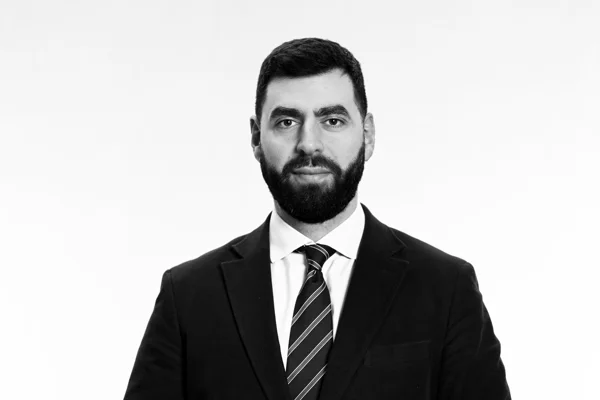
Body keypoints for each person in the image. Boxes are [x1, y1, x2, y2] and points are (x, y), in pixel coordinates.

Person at [123, 37, 511, 400]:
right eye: (287, 122)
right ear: (256, 138)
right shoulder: (188, 296)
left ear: (368, 135)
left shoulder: (446, 289)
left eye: (332, 120)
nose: (308, 143)